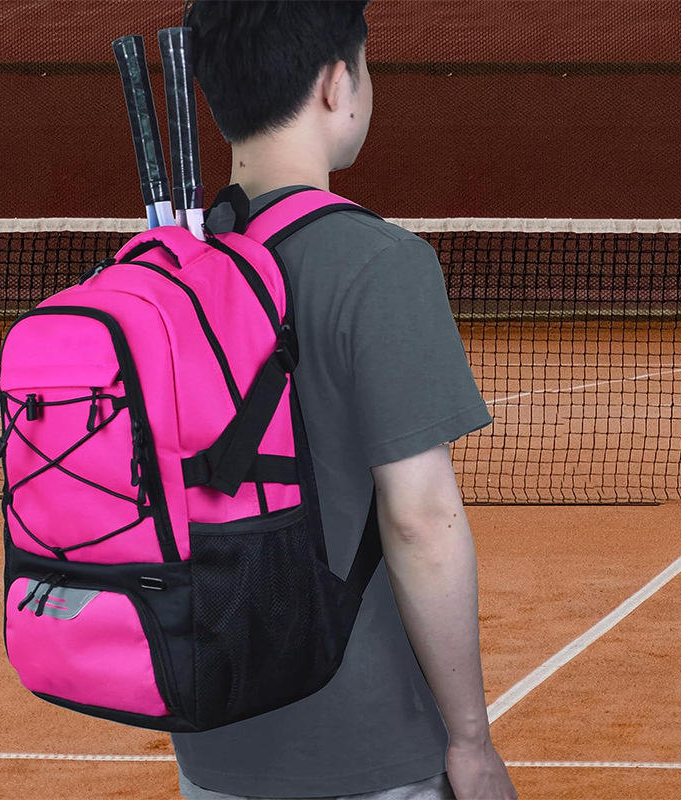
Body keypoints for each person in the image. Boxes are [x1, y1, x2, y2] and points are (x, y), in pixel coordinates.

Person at [172, 3, 519, 799]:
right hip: (369, 745)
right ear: (337, 85)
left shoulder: (166, 270)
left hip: (211, 738)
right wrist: (470, 742)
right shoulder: (381, 264)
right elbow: (421, 521)